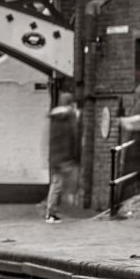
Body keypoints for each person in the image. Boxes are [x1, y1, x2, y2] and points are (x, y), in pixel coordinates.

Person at [45, 93, 80, 223]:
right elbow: (71, 137)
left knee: (57, 184)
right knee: (61, 183)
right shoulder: (67, 117)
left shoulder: (56, 117)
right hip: (63, 157)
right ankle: (52, 212)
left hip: (56, 156)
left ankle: (51, 211)